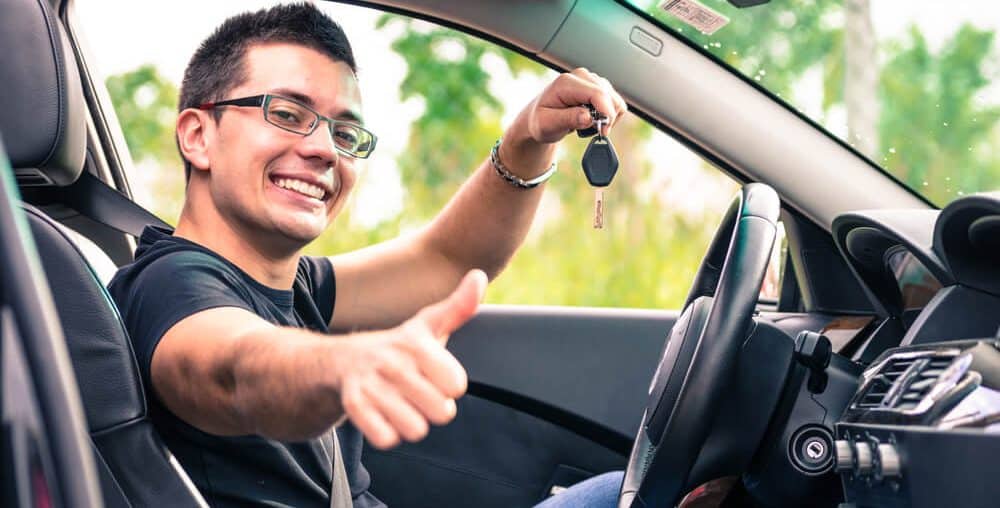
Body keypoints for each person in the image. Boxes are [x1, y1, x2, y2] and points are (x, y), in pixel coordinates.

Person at [108, 3, 627, 507]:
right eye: (287, 114)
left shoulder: (294, 286)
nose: (324, 150)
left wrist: (528, 137)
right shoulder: (169, 284)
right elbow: (235, 370)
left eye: (344, 133)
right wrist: (344, 365)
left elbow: (447, 260)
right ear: (198, 136)